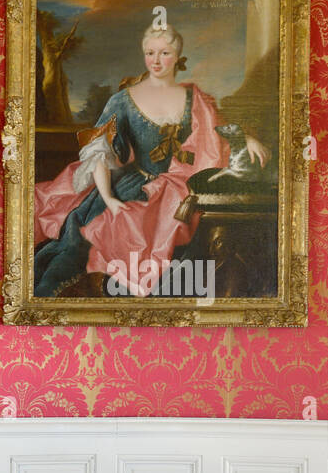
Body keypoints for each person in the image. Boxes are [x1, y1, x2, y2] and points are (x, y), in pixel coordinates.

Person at [33, 23, 270, 297]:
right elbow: (99, 152)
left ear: (178, 57)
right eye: (150, 53)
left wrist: (246, 139)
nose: (157, 61)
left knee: (188, 235)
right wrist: (109, 198)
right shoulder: (122, 101)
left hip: (179, 187)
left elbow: (216, 129)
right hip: (133, 186)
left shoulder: (195, 98)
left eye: (165, 53)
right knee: (96, 237)